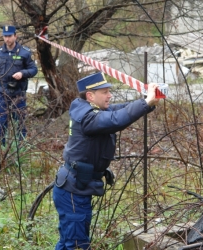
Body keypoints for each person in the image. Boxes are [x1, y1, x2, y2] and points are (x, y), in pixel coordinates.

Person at [53, 72, 160, 249]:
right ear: (90, 95)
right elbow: (115, 120)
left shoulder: (88, 108)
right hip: (73, 191)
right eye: (104, 92)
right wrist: (144, 103)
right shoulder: (88, 117)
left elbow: (119, 110)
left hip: (77, 186)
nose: (109, 95)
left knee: (69, 243)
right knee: (76, 244)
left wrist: (148, 103)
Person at [0, 25, 38, 148]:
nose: (7, 39)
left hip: (19, 94)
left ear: (15, 36)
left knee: (20, 123)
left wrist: (22, 73)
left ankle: (20, 149)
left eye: (9, 36)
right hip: (2, 93)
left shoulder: (24, 52)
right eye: (5, 36)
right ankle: (0, 150)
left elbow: (34, 69)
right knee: (1, 123)